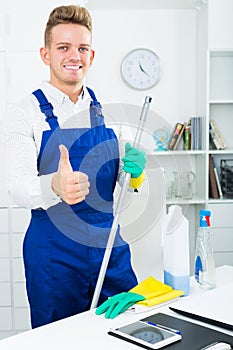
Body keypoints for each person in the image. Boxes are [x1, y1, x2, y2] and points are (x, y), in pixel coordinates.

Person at [4, 5, 146, 328]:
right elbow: (16, 185)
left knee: (130, 330)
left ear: (91, 56)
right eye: (63, 47)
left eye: (82, 48)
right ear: (45, 54)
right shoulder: (24, 112)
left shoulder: (107, 110)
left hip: (110, 250)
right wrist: (54, 185)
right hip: (55, 256)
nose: (74, 56)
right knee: (60, 340)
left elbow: (122, 192)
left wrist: (134, 177)